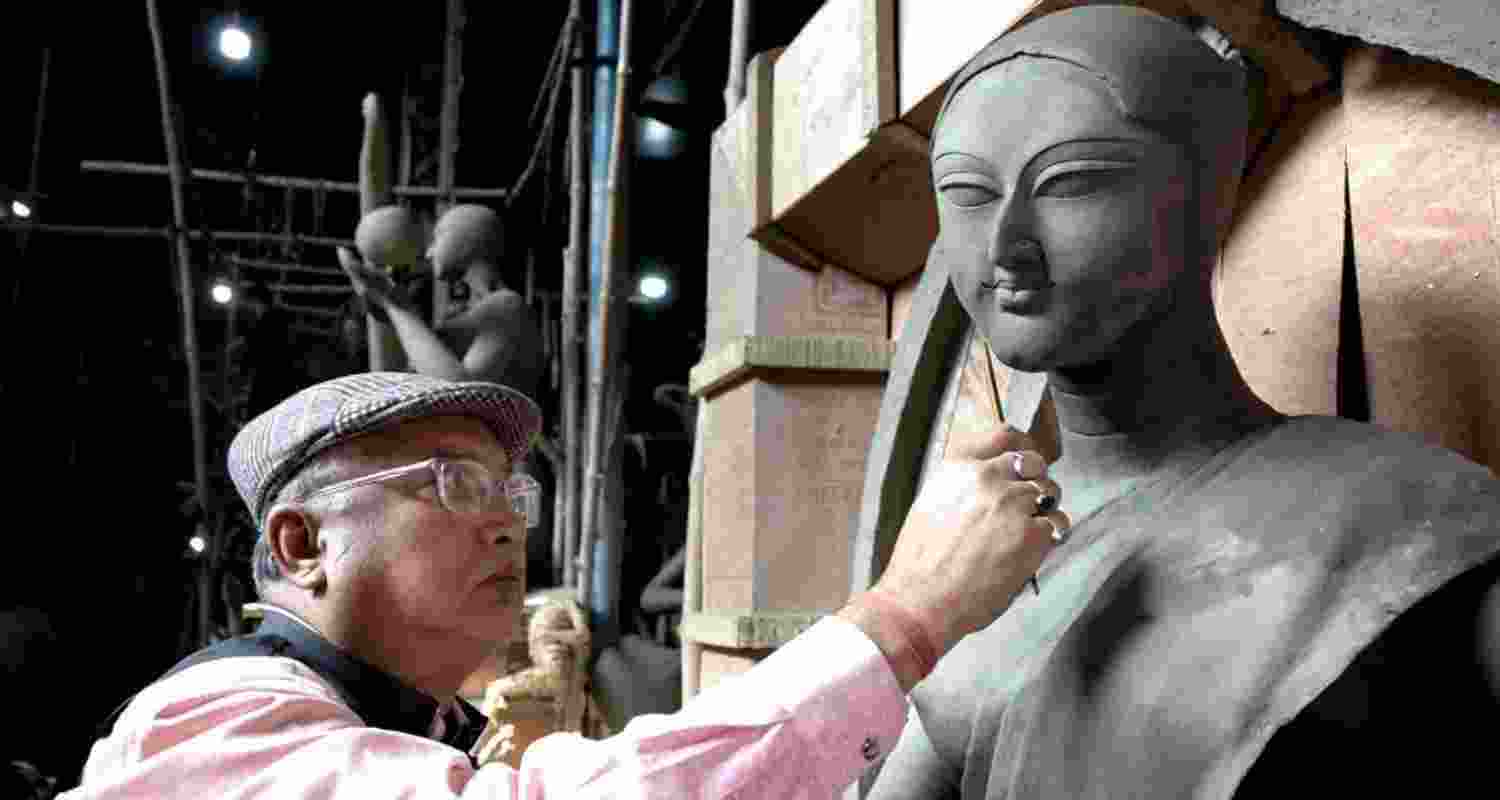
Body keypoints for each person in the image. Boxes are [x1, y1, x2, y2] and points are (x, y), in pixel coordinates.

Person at [863, 7, 1500, 799]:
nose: (1006, 247)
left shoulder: (1401, 514)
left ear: (1207, 195)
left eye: (1074, 183)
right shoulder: (975, 554)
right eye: (967, 194)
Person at [65, 371, 1068, 798]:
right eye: (451, 483)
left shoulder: (408, 721)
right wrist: (901, 616)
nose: (505, 517)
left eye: (509, 489)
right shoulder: (213, 721)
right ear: (301, 544)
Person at [339, 204, 546, 399]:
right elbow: (424, 364)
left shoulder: (508, 306)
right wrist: (389, 306)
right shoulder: (475, 312)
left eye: (437, 238)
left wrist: (398, 308)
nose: (429, 252)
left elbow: (459, 391)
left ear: (467, 241)